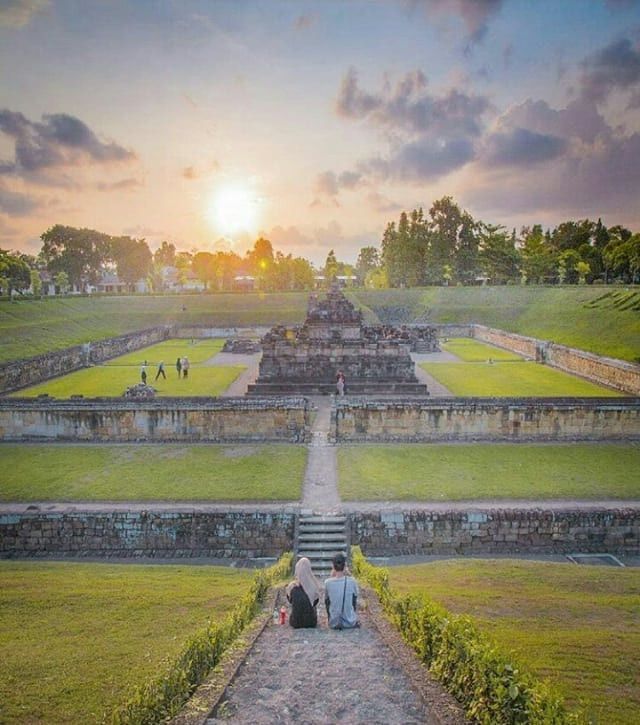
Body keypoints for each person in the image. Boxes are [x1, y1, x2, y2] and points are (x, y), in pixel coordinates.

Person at [324, 553, 359, 630]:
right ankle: (349, 615)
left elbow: (327, 600)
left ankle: (332, 618)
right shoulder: (352, 581)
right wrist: (348, 573)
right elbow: (355, 598)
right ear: (345, 566)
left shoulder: (327, 582)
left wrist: (331, 576)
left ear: (333, 566)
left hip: (334, 623)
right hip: (350, 622)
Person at [286, 557, 321, 629]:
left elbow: (290, 601)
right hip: (311, 622)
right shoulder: (313, 586)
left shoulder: (292, 587)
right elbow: (315, 602)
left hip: (295, 622)